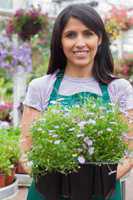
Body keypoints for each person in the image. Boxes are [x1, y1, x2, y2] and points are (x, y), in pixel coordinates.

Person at [20, 3, 133, 200]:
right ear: (60, 41)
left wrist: (93, 185)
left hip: (101, 193)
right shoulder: (40, 86)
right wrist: (55, 183)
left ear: (99, 39)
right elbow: (25, 148)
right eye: (71, 34)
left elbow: (129, 151)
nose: (80, 43)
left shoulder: (119, 88)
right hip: (49, 192)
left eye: (88, 33)